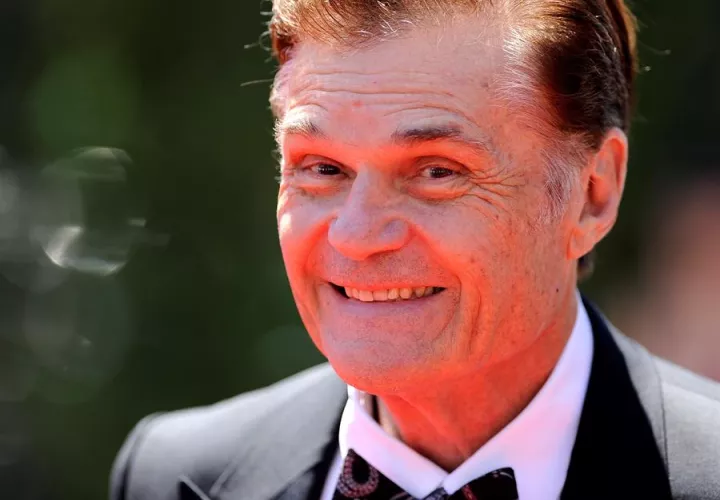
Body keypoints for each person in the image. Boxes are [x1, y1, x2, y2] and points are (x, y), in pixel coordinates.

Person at [110, 1, 720, 499]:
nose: (355, 236)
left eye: (436, 171)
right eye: (322, 168)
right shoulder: (172, 476)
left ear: (592, 194)